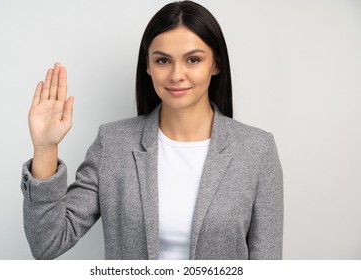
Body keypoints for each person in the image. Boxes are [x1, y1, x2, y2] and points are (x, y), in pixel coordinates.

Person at [21, 0, 283, 260]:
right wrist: (45, 149)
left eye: (193, 59)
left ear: (215, 64)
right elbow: (48, 242)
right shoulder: (113, 143)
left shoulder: (257, 150)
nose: (176, 74)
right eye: (162, 61)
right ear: (147, 65)